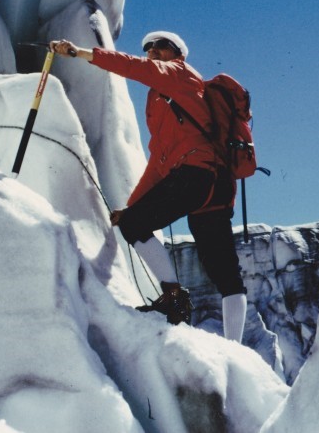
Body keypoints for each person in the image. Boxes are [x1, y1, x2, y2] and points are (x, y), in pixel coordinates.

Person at [50, 32, 248, 343]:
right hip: (211, 184)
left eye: (161, 47)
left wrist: (81, 53)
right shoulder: (162, 101)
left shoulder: (178, 74)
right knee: (222, 270)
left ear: (177, 54)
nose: (153, 51)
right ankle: (232, 344)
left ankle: (173, 298)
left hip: (198, 174)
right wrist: (131, 206)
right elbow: (159, 162)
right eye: (149, 48)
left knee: (141, 227)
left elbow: (134, 67)